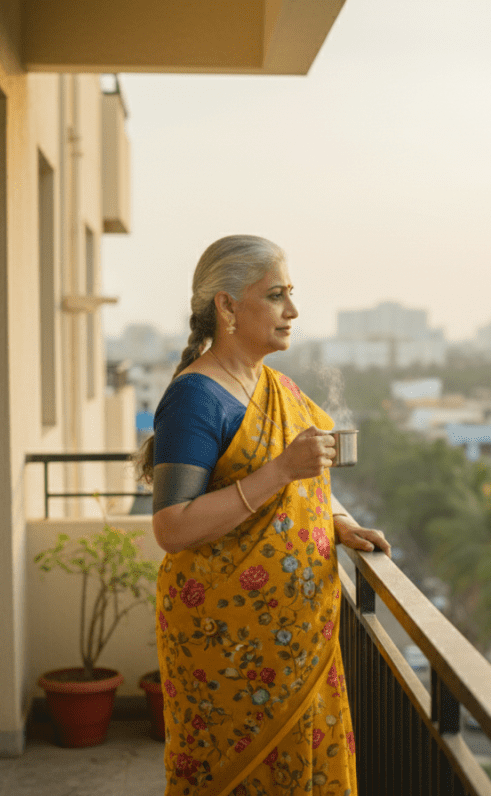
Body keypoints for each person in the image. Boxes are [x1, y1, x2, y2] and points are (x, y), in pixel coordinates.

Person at [136, 235, 390, 796]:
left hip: (297, 640)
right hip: (223, 645)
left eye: (290, 295)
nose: (292, 312)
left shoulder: (274, 387)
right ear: (227, 306)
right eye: (276, 296)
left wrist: (334, 525)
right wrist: (278, 470)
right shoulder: (197, 398)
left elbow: (296, 495)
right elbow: (172, 527)